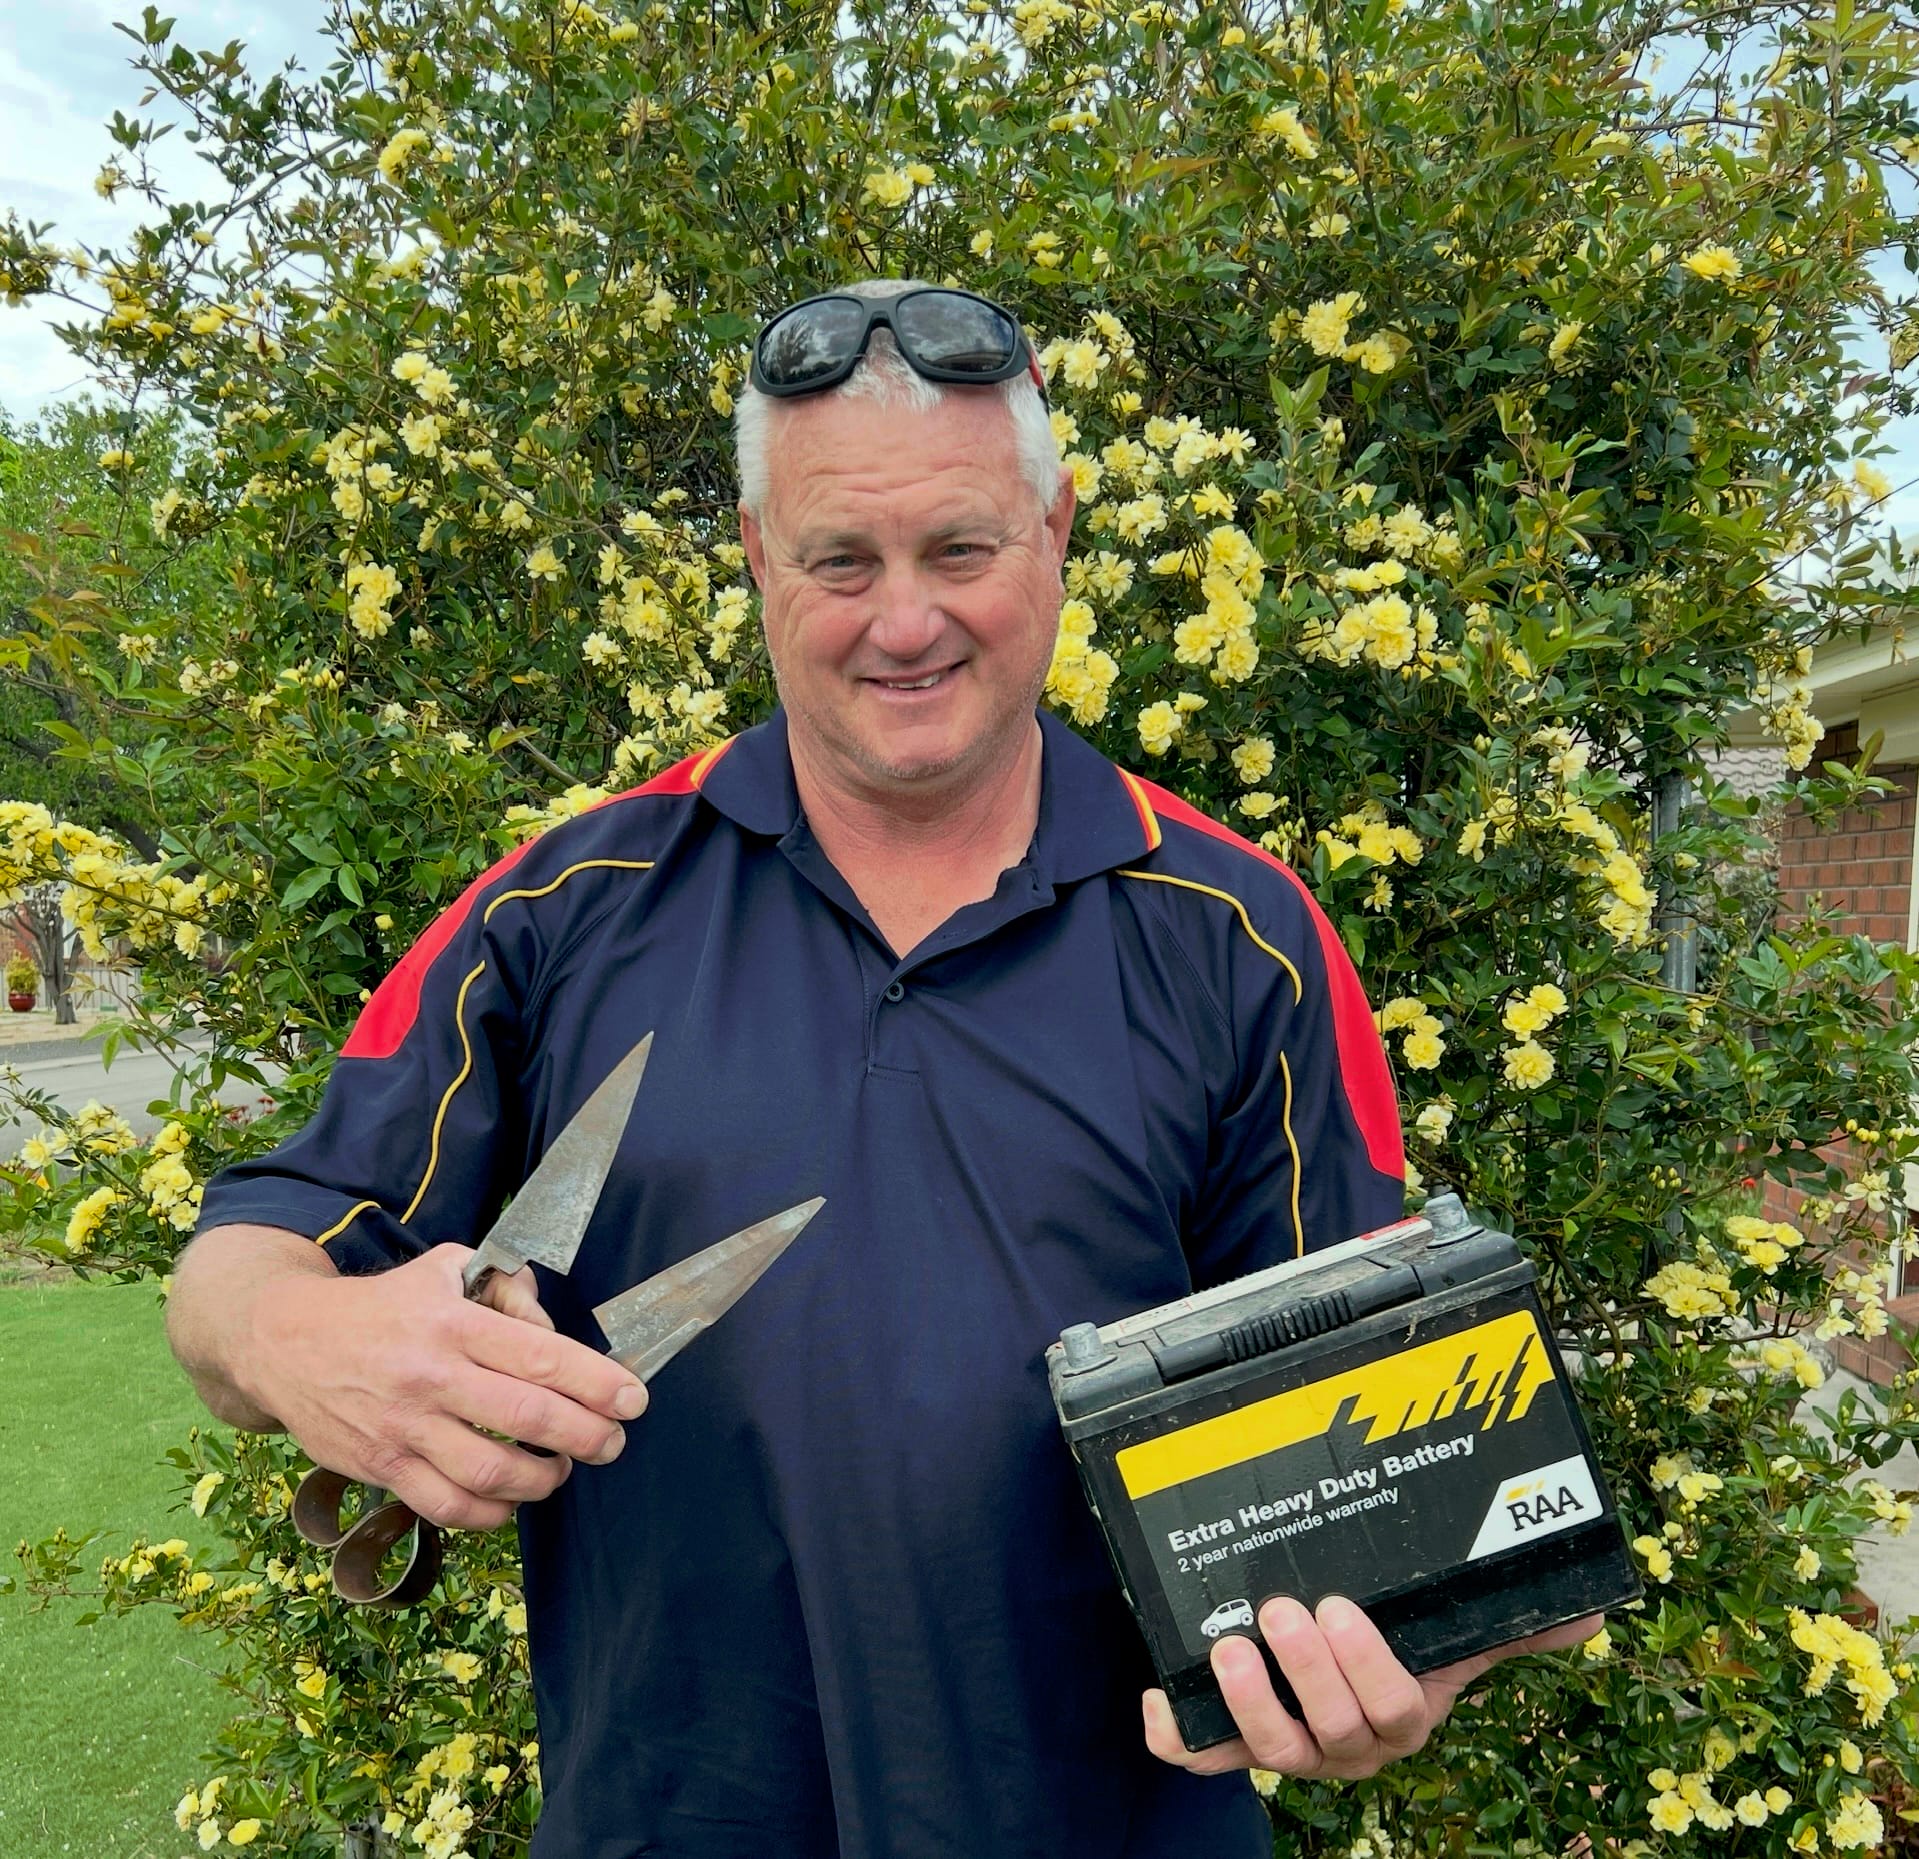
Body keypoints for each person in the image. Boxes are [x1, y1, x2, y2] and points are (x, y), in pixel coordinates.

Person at [168, 279, 1596, 1857]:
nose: (903, 623)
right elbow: (243, 1262)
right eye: (840, 560)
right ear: (755, 557)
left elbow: (1411, 1448)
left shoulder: (1241, 935)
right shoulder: (562, 909)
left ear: (1056, 532)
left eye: (959, 551)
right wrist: (302, 1338)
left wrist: (1418, 1649)